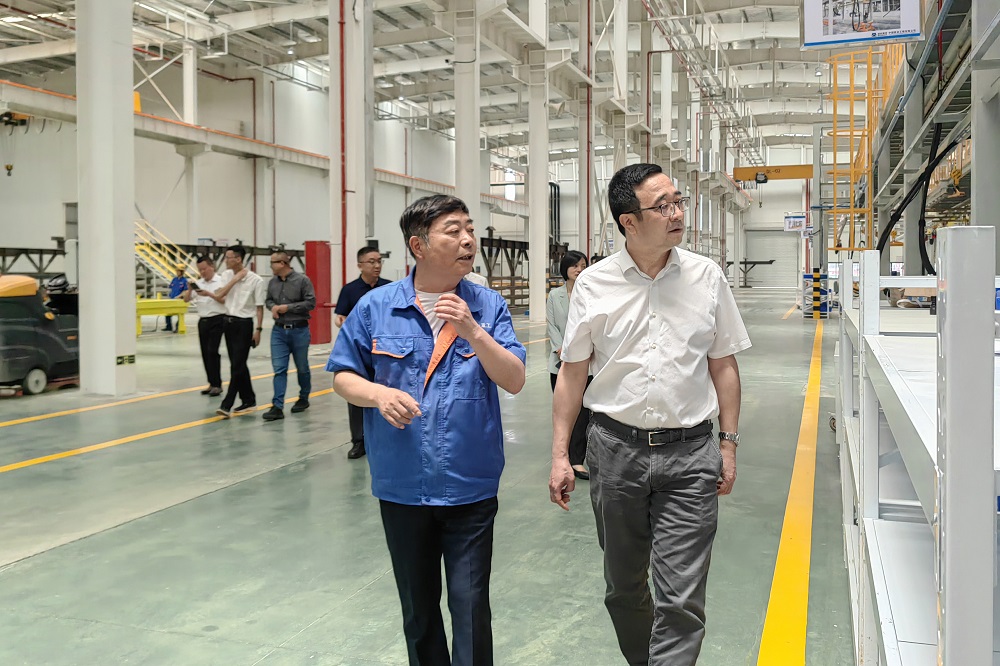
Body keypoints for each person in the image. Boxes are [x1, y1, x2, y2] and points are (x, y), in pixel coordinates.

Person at [549, 163, 751, 666]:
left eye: (678, 201)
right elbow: (572, 374)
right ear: (629, 222)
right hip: (615, 452)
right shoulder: (593, 284)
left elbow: (723, 364)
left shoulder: (707, 277)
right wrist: (559, 455)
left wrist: (728, 444)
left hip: (691, 453)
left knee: (681, 597)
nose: (677, 213)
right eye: (662, 206)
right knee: (623, 588)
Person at [327, 194, 526, 666]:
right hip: (403, 486)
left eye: (469, 229)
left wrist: (474, 331)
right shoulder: (376, 308)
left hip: (470, 485)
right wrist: (377, 394)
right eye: (453, 231)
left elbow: (515, 378)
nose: (468, 240)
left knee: (471, 607)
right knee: (418, 611)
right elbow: (343, 375)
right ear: (418, 245)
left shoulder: (487, 306)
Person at [334, 246, 391, 458]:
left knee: (387, 391)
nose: (376, 266)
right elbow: (340, 317)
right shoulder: (350, 290)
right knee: (357, 394)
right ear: (360, 265)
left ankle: (388, 437)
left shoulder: (389, 288)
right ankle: (359, 441)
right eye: (371, 262)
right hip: (360, 350)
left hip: (386, 350)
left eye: (379, 261)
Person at [546, 250, 590, 480]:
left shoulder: (592, 293)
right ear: (566, 269)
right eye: (575, 266)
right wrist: (560, 349)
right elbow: (551, 325)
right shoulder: (555, 296)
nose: (579, 269)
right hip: (560, 363)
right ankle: (563, 456)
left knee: (583, 414)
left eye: (583, 265)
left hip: (586, 363)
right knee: (563, 413)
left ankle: (577, 460)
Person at [262, 251, 317, 422]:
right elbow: (268, 300)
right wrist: (273, 307)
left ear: (282, 263)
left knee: (302, 367)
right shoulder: (272, 282)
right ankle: (277, 406)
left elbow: (311, 303)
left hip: (299, 330)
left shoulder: (302, 281)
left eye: (273, 263)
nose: (271, 266)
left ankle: (303, 397)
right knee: (279, 369)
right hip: (279, 331)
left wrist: (288, 308)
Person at [213, 245, 266, 418]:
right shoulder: (226, 275)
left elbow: (259, 307)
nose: (226, 261)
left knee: (237, 365)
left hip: (244, 325)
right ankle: (249, 399)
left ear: (238, 259)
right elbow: (219, 295)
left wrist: (258, 330)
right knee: (238, 364)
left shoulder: (256, 280)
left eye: (228, 258)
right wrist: (235, 279)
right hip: (228, 323)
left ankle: (226, 404)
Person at [182, 256, 227, 397]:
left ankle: (217, 384)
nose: (202, 272)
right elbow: (186, 300)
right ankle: (211, 383)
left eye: (204, 269)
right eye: (200, 270)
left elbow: (224, 300)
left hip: (217, 319)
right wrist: (190, 289)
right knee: (205, 353)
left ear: (211, 266)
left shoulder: (221, 281)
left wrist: (209, 294)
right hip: (203, 320)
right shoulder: (199, 283)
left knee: (212, 351)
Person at [165, 266, 188, 333]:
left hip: (179, 300)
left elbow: (185, 291)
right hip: (172, 299)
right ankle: (168, 326)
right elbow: (171, 287)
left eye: (178, 271)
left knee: (179, 315)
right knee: (168, 313)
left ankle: (178, 327)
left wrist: (179, 296)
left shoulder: (184, 281)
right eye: (177, 271)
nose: (177, 272)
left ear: (182, 272)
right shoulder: (174, 279)